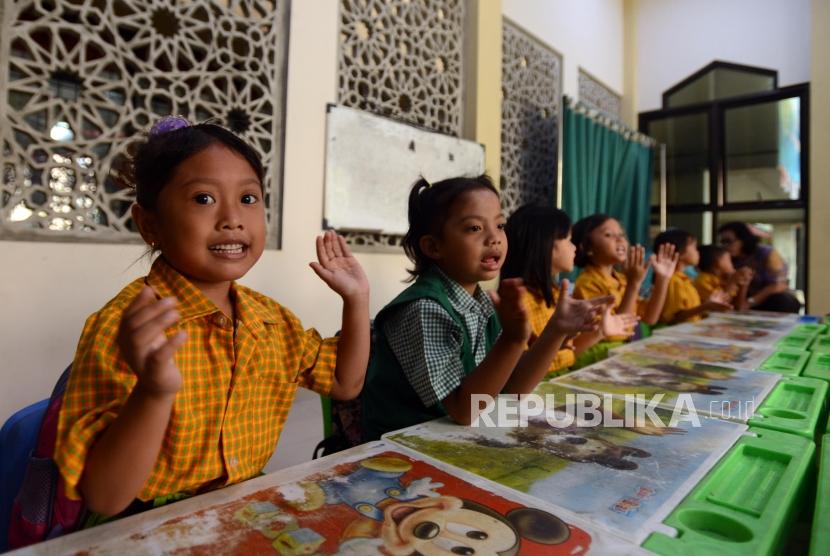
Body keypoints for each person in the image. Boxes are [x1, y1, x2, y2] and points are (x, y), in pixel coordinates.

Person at [54, 117, 371, 521]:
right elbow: (104, 497)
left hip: (242, 509)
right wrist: (153, 391)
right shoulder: (125, 326)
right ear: (148, 223)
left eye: (248, 199)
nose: (232, 218)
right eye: (203, 199)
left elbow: (344, 383)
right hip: (144, 522)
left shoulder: (270, 321)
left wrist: (356, 299)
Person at [361, 176, 611, 440]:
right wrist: (513, 339)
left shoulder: (482, 303)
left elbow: (512, 391)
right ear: (434, 246)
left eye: (500, 225)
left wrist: (555, 331)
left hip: (455, 437)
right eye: (474, 228)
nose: (495, 238)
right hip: (402, 446)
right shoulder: (424, 309)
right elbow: (464, 410)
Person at [501, 204, 638, 377]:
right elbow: (523, 373)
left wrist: (599, 332)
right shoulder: (519, 301)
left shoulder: (556, 294)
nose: (574, 247)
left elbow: (568, 355)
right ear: (546, 244)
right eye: (568, 239)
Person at [572, 214, 678, 328]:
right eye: (608, 235)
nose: (620, 239)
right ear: (588, 248)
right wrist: (633, 284)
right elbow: (614, 331)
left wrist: (662, 279)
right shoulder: (587, 283)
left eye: (621, 234)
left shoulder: (621, 279)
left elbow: (649, 318)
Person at [717, 221, 801, 313]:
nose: (724, 246)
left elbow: (779, 285)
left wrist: (750, 302)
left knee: (784, 301)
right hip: (739, 300)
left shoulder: (766, 253)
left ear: (743, 240)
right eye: (722, 242)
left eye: (728, 241)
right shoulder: (726, 259)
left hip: (768, 298)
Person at [654, 229, 732, 324]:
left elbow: (692, 313)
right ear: (680, 254)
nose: (698, 252)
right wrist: (706, 306)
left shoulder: (684, 279)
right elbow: (673, 319)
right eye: (694, 248)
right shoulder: (673, 281)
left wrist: (709, 304)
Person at [695, 244, 753, 311]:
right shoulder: (702, 281)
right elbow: (719, 305)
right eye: (729, 260)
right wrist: (732, 283)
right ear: (718, 263)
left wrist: (744, 284)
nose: (732, 264)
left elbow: (739, 307)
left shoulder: (722, 279)